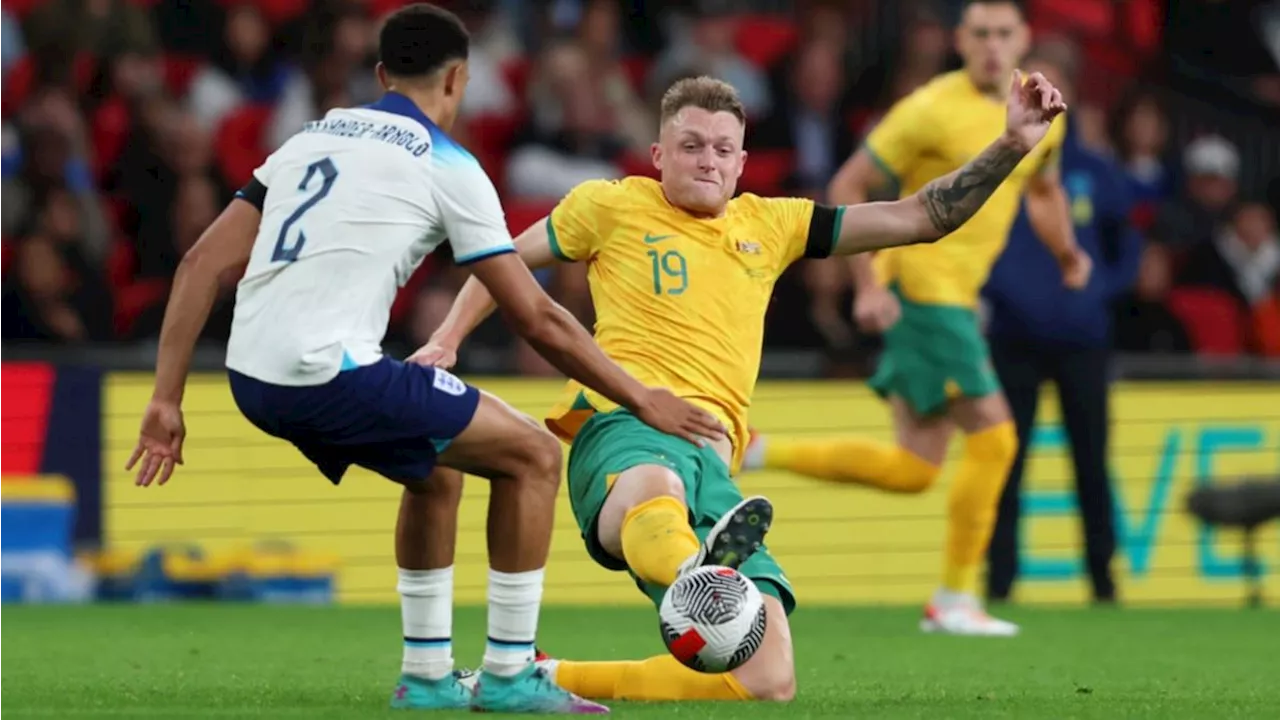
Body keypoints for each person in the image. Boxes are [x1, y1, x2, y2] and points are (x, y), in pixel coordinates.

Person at [122, 4, 725, 715]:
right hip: (325, 372)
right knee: (532, 454)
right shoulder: (450, 164)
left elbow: (198, 262)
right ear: (460, 78)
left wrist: (166, 398)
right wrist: (640, 397)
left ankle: (428, 676)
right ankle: (509, 676)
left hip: (252, 375)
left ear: (380, 75)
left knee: (436, 468)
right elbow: (537, 317)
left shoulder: (306, 139)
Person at [417, 66, 1067, 702]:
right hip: (626, 423)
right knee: (656, 490)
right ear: (658, 154)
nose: (707, 160)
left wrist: (1011, 145)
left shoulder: (772, 224)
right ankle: (694, 572)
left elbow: (920, 217)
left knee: (768, 679)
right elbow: (498, 263)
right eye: (691, 145)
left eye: (723, 148)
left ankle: (543, 676)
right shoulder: (610, 204)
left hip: (715, 463)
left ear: (741, 161)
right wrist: (447, 338)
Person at [742, 0, 1091, 636]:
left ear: (1024, 38)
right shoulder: (929, 107)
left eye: (1002, 33)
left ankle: (756, 450)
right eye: (979, 33)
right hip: (924, 291)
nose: (991, 45)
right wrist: (868, 282)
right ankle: (955, 599)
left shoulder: (1043, 111)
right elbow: (847, 187)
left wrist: (1067, 253)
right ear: (959, 40)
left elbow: (1041, 188)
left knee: (916, 469)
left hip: (955, 299)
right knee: (996, 439)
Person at [982, 43, 1142, 604]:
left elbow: (1129, 244)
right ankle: (998, 583)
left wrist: (1100, 289)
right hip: (1011, 338)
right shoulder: (1001, 161)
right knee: (1004, 464)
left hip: (1082, 340)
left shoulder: (1095, 170)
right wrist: (996, 290)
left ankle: (1103, 580)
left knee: (1091, 465)